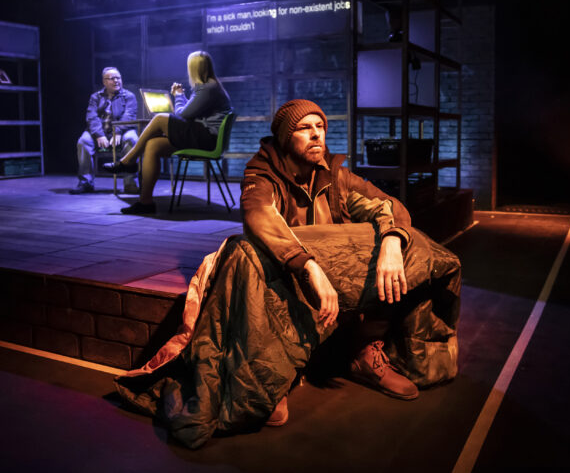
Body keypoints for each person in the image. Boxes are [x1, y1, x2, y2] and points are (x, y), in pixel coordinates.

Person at [110, 100, 461, 449]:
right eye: (304, 128)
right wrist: (308, 266)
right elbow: (260, 216)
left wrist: (391, 243)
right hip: (285, 280)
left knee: (407, 244)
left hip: (334, 285)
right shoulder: (261, 174)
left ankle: (361, 352)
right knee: (244, 255)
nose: (316, 135)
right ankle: (271, 376)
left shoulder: (334, 175)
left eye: (320, 127)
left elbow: (387, 205)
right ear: (283, 137)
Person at [105, 50, 232, 214]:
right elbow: (191, 111)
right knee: (153, 145)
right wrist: (183, 97)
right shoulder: (209, 87)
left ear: (194, 69)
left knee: (159, 119)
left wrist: (178, 96)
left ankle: (128, 162)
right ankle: (146, 203)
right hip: (203, 136)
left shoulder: (208, 88)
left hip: (206, 139)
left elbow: (182, 114)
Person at [70, 67, 139, 194]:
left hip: (123, 131)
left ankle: (131, 183)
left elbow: (129, 116)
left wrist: (117, 131)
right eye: (112, 78)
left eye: (118, 78)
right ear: (104, 82)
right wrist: (99, 135)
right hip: (100, 132)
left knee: (132, 139)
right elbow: (91, 117)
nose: (116, 81)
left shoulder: (129, 96)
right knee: (83, 141)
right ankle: (86, 182)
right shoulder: (95, 97)